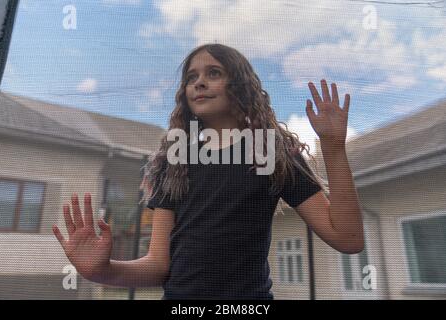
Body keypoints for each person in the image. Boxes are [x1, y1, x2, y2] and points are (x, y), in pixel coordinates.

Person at [53, 43, 364, 300]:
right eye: (191, 77)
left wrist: (334, 149)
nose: (198, 83)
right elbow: (158, 265)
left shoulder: (271, 151)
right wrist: (101, 270)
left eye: (213, 73)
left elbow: (348, 239)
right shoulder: (174, 162)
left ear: (240, 87)